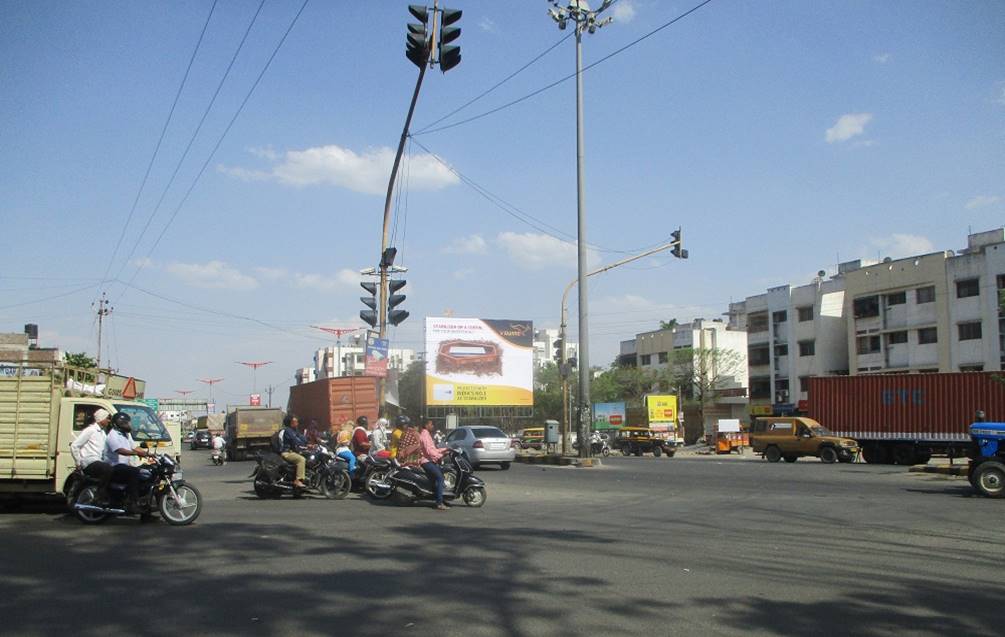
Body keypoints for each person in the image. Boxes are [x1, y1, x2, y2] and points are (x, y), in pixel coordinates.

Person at [104, 412, 156, 511]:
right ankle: (133, 502)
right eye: (125, 423)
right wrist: (136, 454)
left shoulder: (126, 435)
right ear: (118, 424)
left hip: (124, 466)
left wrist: (148, 454)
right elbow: (120, 450)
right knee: (134, 472)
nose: (128, 425)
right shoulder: (112, 435)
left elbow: (135, 447)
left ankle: (146, 509)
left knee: (147, 472)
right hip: (114, 466)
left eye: (128, 423)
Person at [69, 408, 113, 498]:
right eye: (107, 418)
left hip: (98, 461)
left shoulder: (102, 433)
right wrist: (78, 462)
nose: (109, 421)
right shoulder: (90, 430)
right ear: (101, 419)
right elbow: (75, 446)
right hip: (89, 461)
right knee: (107, 469)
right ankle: (100, 494)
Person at [418, 419, 449, 510]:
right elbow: (429, 451)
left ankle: (440, 498)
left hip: (430, 460)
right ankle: (439, 503)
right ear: (426, 425)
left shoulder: (427, 434)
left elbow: (433, 449)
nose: (433, 426)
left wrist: (445, 450)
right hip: (426, 461)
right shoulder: (425, 435)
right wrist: (439, 455)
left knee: (437, 478)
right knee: (440, 478)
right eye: (431, 424)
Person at [280, 414, 308, 489]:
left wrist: (309, 443)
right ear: (290, 423)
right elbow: (295, 440)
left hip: (294, 452)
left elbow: (302, 438)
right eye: (295, 421)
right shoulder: (288, 431)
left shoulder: (295, 430)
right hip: (287, 453)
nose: (297, 423)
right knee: (301, 460)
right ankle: (298, 480)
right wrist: (304, 445)